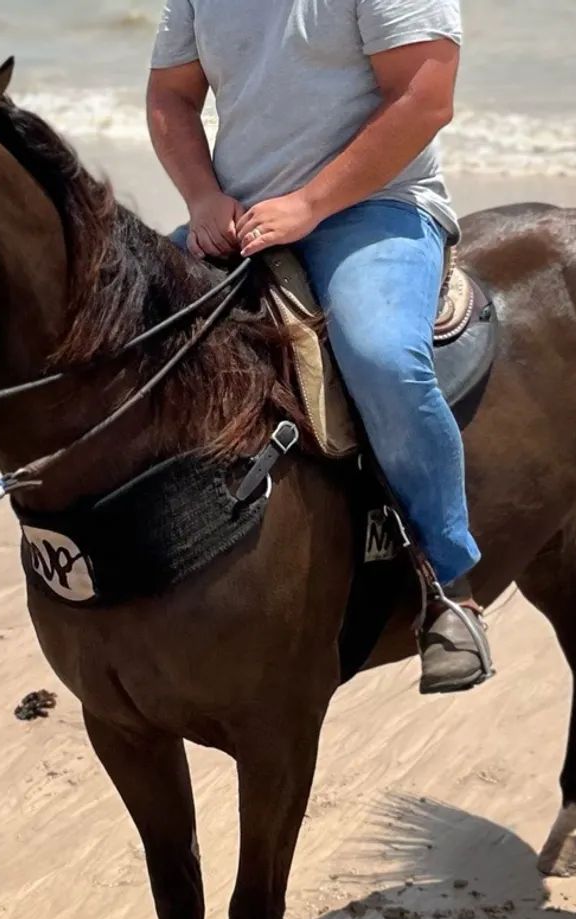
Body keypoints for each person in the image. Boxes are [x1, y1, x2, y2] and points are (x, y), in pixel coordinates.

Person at [146, 0, 493, 693]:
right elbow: (171, 97)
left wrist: (308, 205)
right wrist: (203, 197)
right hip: (237, 213)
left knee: (381, 357)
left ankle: (447, 586)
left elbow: (424, 97)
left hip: (376, 206)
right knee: (131, 341)